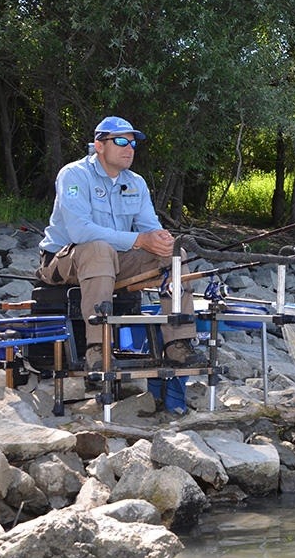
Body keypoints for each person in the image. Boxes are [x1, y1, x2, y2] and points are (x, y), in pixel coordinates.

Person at [37, 115, 207, 370]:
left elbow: (150, 227)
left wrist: (161, 240)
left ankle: (178, 342)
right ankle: (97, 348)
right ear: (99, 145)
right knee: (98, 249)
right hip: (62, 261)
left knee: (173, 254)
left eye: (132, 144)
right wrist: (139, 239)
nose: (129, 149)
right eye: (120, 141)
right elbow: (80, 232)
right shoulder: (73, 175)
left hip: (114, 260)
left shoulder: (136, 183)